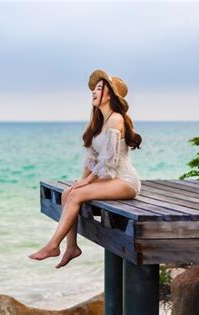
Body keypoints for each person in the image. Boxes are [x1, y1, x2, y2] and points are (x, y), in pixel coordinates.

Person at [28, 69, 142, 268]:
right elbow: (92, 159)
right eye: (94, 89)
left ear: (110, 95)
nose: (94, 92)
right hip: (109, 179)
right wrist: (80, 181)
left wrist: (87, 183)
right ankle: (71, 247)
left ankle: (53, 245)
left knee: (76, 195)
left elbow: (110, 161)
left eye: (99, 88)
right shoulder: (98, 122)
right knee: (67, 193)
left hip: (125, 181)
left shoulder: (116, 119)